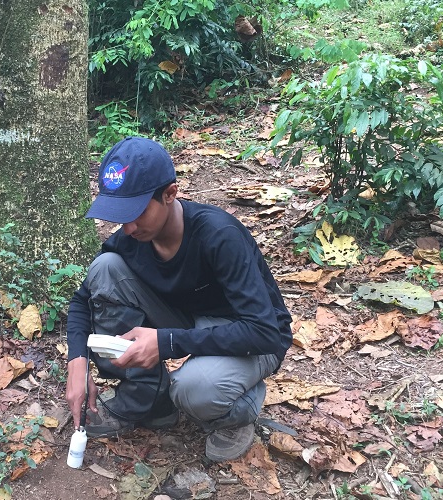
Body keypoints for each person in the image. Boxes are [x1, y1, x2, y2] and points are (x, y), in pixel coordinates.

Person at [64, 136, 293, 462]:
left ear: (170, 193)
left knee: (193, 389)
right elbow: (81, 301)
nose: (127, 227)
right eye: (118, 214)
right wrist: (77, 363)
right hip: (189, 319)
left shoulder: (218, 236)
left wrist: (167, 342)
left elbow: (265, 331)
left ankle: (239, 411)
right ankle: (149, 403)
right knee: (104, 268)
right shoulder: (132, 238)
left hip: (253, 334)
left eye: (136, 212)